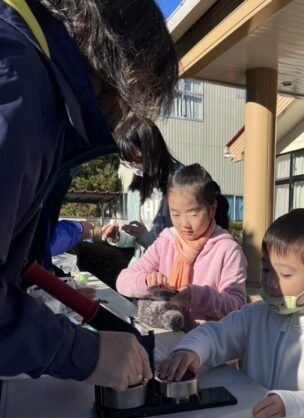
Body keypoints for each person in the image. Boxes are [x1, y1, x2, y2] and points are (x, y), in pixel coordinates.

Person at [0, 0, 178, 391]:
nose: (122, 105)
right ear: (90, 30)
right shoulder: (17, 86)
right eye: (128, 85)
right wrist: (83, 352)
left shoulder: (26, 79)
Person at [158, 208, 304, 418]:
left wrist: (292, 405)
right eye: (266, 270)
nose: (270, 282)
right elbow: (217, 335)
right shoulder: (255, 315)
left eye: (285, 274)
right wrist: (191, 350)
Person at [116, 163, 247, 329]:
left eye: (193, 213)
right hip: (167, 337)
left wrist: (198, 295)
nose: (184, 223)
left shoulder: (228, 250)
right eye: (175, 214)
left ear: (212, 209)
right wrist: (147, 281)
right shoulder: (167, 241)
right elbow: (122, 281)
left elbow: (237, 305)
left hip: (209, 342)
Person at [102, 121, 179, 262]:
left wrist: (148, 240)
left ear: (153, 151)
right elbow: (135, 239)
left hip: (169, 268)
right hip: (142, 267)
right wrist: (118, 236)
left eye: (136, 159)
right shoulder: (136, 187)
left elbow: (188, 242)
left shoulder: (182, 181)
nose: (133, 167)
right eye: (127, 162)